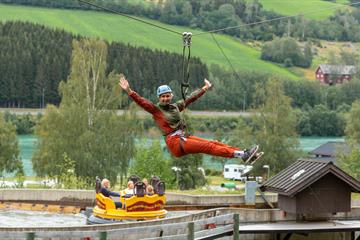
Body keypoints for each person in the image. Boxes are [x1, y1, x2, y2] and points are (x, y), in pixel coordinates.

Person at [119, 75, 262, 164]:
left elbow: (190, 98)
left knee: (214, 142)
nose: (165, 98)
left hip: (182, 138)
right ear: (159, 98)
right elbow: (142, 101)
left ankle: (244, 153)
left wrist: (205, 88)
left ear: (171, 96)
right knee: (210, 148)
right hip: (176, 143)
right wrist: (129, 91)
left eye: (167, 95)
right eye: (162, 96)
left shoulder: (175, 107)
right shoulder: (156, 110)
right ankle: (243, 155)